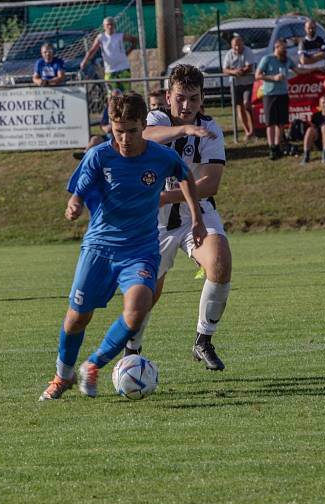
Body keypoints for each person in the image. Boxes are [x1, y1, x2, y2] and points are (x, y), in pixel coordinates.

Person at [39, 92, 205, 400]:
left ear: (144, 125)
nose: (125, 138)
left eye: (131, 130)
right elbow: (79, 189)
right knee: (77, 317)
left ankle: (93, 365)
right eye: (119, 131)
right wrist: (73, 205)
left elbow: (185, 177)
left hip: (141, 249)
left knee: (137, 309)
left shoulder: (160, 156)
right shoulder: (100, 156)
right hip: (99, 248)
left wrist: (196, 218)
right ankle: (62, 377)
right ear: (111, 128)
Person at [123, 64, 232, 371]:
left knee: (220, 262)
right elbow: (145, 136)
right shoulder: (157, 118)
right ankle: (131, 351)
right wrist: (182, 129)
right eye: (181, 98)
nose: (187, 106)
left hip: (195, 212)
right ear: (168, 96)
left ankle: (203, 340)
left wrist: (167, 196)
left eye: (194, 99)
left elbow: (211, 183)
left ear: (202, 99)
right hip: (155, 222)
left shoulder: (211, 129)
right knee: (146, 296)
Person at [255, 39, 308, 160]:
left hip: (283, 94)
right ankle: (271, 147)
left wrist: (314, 70)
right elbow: (257, 75)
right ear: (276, 47)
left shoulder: (287, 60)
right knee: (270, 123)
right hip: (270, 94)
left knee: (281, 123)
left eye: (286, 48)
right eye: (283, 48)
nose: (285, 51)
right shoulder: (267, 59)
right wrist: (273, 78)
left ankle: (278, 146)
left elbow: (298, 70)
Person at [80, 17, 139, 93]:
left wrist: (128, 51)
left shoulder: (120, 36)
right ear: (104, 26)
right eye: (108, 25)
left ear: (114, 25)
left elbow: (134, 40)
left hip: (123, 68)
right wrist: (84, 62)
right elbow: (92, 51)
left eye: (112, 24)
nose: (110, 27)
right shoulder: (101, 37)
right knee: (111, 95)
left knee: (126, 94)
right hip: (110, 70)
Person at [222, 35, 255, 140]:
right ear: (232, 46)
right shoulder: (229, 54)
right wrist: (234, 72)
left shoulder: (248, 51)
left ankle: (252, 129)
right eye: (234, 46)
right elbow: (225, 69)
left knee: (247, 104)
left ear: (242, 44)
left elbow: (249, 67)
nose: (237, 48)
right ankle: (247, 131)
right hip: (235, 84)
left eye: (238, 45)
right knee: (239, 107)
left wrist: (240, 71)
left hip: (247, 83)